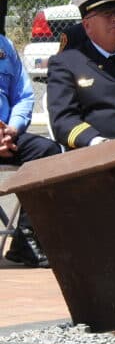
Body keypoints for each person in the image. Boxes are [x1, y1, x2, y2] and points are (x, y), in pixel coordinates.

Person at [47, 0, 115, 149]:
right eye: (107, 14)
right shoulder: (67, 63)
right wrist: (95, 141)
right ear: (87, 26)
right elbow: (63, 120)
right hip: (95, 156)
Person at [0, 34, 61, 267]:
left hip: (6, 135)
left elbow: (24, 96)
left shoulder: (3, 46)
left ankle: (26, 239)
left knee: (49, 152)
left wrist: (12, 130)